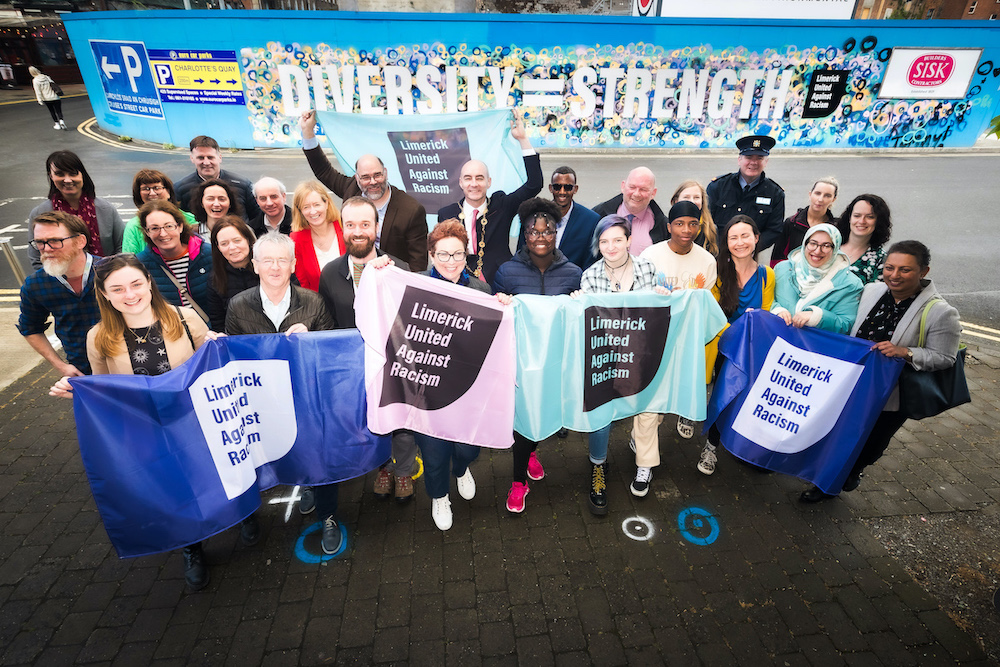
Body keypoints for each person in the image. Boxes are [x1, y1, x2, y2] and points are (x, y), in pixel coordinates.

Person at [49, 254, 227, 591]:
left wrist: (219, 342)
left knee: (214, 476)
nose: (129, 294)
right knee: (177, 488)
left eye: (135, 284)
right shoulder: (98, 337)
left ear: (148, 282)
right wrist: (79, 392)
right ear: (105, 295)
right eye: (117, 289)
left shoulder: (185, 318)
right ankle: (192, 546)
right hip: (148, 429)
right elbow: (105, 391)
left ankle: (241, 515)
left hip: (196, 420)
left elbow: (215, 364)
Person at [799, 241, 960, 502]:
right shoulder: (872, 290)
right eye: (889, 268)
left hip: (891, 395)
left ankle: (850, 473)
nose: (894, 275)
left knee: (871, 443)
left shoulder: (941, 312)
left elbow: (945, 357)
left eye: (905, 270)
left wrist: (905, 352)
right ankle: (827, 480)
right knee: (839, 434)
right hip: (852, 382)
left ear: (924, 271)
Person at [224, 232, 341, 549]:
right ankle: (298, 486)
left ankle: (328, 514)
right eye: (267, 261)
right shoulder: (238, 305)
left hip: (305, 398)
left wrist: (311, 340)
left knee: (319, 455)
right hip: (262, 402)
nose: (275, 267)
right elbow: (232, 357)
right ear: (255, 265)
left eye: (282, 260)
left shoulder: (313, 301)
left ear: (293, 265)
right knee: (277, 452)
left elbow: (329, 352)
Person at [317, 197, 414, 502]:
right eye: (350, 225)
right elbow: (328, 321)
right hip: (353, 366)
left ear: (376, 227)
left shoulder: (399, 269)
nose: (357, 231)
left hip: (393, 364)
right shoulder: (330, 273)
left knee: (399, 421)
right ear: (342, 228)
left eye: (364, 224)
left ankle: (404, 472)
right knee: (368, 419)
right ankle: (381, 468)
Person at [492, 198, 582, 513]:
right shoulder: (507, 271)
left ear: (556, 232)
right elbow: (496, 321)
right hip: (520, 361)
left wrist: (579, 302)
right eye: (533, 231)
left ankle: (532, 452)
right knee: (524, 419)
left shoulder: (572, 272)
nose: (540, 237)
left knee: (543, 410)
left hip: (554, 361)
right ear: (524, 234)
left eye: (547, 231)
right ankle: (519, 482)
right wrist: (500, 301)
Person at [631, 201, 718, 494]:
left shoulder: (707, 261)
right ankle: (645, 463)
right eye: (679, 224)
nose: (686, 230)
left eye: (693, 224)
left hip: (684, 345)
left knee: (668, 402)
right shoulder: (650, 256)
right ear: (668, 227)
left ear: (699, 227)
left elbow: (703, 306)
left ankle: (640, 438)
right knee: (649, 404)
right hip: (654, 342)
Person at [574, 214, 658, 515]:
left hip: (640, 355)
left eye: (617, 240)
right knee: (601, 411)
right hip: (606, 357)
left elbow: (656, 315)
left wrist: (663, 296)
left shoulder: (647, 268)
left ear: (628, 240)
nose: (611, 247)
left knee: (649, 405)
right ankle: (598, 467)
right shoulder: (590, 276)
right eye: (604, 241)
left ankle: (644, 464)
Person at [414, 219, 493, 529]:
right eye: (444, 255)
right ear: (432, 255)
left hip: (466, 388)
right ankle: (439, 496)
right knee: (433, 455)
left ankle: (460, 469)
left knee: (468, 448)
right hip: (426, 388)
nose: (451, 262)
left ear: (466, 255)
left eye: (458, 254)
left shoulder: (481, 289)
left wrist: (502, 306)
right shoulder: (414, 285)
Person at [299, 111, 429, 270]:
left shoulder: (411, 210)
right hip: (353, 272)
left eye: (377, 175)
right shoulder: (351, 188)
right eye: (366, 177)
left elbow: (418, 263)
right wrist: (307, 132)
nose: (373, 182)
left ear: (386, 173)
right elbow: (323, 171)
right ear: (357, 178)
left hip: (390, 276)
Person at [699, 215, 776, 476]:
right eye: (733, 237)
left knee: (741, 399)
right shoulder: (718, 271)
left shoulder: (767, 275)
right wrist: (736, 332)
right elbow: (711, 313)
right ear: (726, 242)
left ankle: (735, 442)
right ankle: (711, 446)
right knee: (721, 396)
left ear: (756, 238)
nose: (740, 242)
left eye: (745, 236)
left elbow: (766, 314)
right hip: (723, 347)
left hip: (751, 350)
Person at [437, 116, 542, 284]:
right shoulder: (446, 214)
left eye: (479, 178)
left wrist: (522, 139)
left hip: (500, 281)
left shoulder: (502, 206)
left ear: (488, 182)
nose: (474, 184)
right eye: (468, 178)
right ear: (461, 183)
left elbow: (534, 184)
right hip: (460, 281)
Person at [17, 211, 100, 376]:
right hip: (81, 372)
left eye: (55, 241)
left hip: (127, 366)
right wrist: (61, 366)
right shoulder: (35, 285)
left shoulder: (111, 272)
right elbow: (30, 328)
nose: (46, 249)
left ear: (80, 241)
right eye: (40, 242)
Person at [28, 151, 125, 271]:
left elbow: (122, 248)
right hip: (60, 284)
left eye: (73, 173)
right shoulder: (40, 213)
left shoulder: (106, 210)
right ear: (51, 176)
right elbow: (37, 259)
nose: (67, 180)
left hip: (104, 279)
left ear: (82, 175)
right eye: (60, 174)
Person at [771, 223, 863, 335]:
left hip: (813, 348)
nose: (817, 251)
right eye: (813, 243)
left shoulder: (850, 283)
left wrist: (817, 316)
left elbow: (845, 325)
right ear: (805, 244)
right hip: (777, 341)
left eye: (826, 245)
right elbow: (767, 299)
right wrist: (777, 310)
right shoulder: (782, 269)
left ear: (835, 248)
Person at [706, 135, 785, 253]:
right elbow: (706, 221)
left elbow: (774, 230)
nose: (753, 162)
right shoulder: (718, 186)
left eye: (759, 158)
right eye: (748, 157)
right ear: (739, 160)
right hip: (717, 252)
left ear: (766, 162)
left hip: (749, 254)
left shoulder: (775, 193)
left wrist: (748, 247)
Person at [136, 200, 213, 321]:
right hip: (169, 333)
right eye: (154, 228)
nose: (163, 233)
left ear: (180, 226)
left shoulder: (208, 254)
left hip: (207, 331)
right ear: (147, 232)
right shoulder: (140, 264)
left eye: (169, 226)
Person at [174, 135, 259, 218]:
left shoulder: (243, 184)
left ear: (220, 157)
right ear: (192, 158)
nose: (206, 162)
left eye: (210, 157)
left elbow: (256, 217)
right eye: (200, 158)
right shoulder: (181, 189)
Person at [592, 167, 667, 256]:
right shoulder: (599, 214)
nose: (636, 194)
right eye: (632, 187)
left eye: (643, 189)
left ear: (653, 193)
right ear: (623, 186)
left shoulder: (663, 225)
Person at [121, 169, 197, 254]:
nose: (152, 193)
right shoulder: (133, 226)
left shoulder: (191, 220)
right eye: (146, 189)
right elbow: (130, 259)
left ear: (168, 192)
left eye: (157, 188)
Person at [771, 177, 839, 267]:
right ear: (810, 194)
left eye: (827, 195)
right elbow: (777, 258)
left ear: (833, 199)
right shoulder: (791, 223)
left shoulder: (835, 228)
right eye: (817, 193)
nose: (820, 199)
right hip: (792, 275)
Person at [291, 181, 345, 292]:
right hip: (319, 303)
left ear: (326, 203)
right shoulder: (297, 240)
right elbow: (303, 284)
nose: (313, 211)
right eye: (306, 207)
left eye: (317, 204)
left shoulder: (345, 227)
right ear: (300, 211)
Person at [207, 216, 258, 331]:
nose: (232, 247)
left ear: (248, 240)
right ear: (218, 247)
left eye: (237, 240)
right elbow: (218, 320)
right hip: (237, 340)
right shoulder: (215, 279)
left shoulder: (269, 267)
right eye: (224, 243)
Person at [547, 166, 601, 269]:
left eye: (568, 187)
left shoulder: (590, 220)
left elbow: (590, 261)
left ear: (575, 189)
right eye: (557, 187)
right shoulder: (535, 215)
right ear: (551, 188)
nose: (562, 192)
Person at [836, 194, 893, 286]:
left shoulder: (881, 260)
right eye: (857, 216)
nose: (862, 221)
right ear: (849, 218)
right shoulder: (828, 246)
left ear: (879, 221)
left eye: (870, 217)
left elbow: (873, 296)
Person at [670, 180, 719, 256]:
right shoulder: (668, 227)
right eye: (686, 197)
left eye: (696, 197)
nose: (692, 201)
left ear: (702, 201)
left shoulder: (711, 229)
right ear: (676, 201)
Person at [30, 65, 65, 130]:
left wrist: (39, 100)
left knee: (52, 111)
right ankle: (61, 121)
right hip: (55, 96)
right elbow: (54, 85)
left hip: (47, 98)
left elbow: (38, 91)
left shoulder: (35, 81)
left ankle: (57, 124)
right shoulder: (46, 77)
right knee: (59, 111)